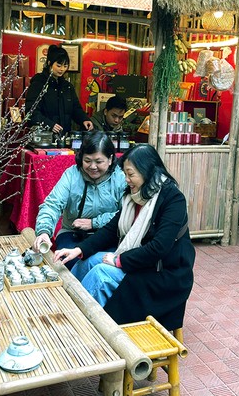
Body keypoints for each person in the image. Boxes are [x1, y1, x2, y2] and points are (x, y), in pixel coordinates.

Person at [54, 144, 195, 331]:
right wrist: (79, 250)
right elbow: (111, 229)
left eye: (130, 174)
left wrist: (119, 260)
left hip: (164, 273)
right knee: (86, 261)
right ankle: (66, 308)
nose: (126, 179)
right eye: (125, 174)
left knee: (101, 274)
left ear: (147, 171)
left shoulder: (173, 199)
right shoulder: (134, 195)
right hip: (141, 262)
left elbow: (159, 247)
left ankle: (78, 327)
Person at [32, 131, 126, 269]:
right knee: (68, 260)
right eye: (87, 161)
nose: (92, 166)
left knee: (103, 263)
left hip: (108, 235)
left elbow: (126, 214)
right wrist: (44, 231)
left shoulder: (121, 178)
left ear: (110, 159)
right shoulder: (72, 175)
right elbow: (52, 205)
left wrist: (94, 223)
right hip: (72, 233)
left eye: (99, 162)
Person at [25, 44, 93, 135]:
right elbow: (31, 111)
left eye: (65, 66)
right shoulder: (39, 84)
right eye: (58, 65)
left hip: (64, 136)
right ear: (49, 63)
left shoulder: (67, 87)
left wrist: (84, 119)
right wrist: (49, 124)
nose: (62, 69)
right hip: (43, 136)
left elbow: (75, 108)